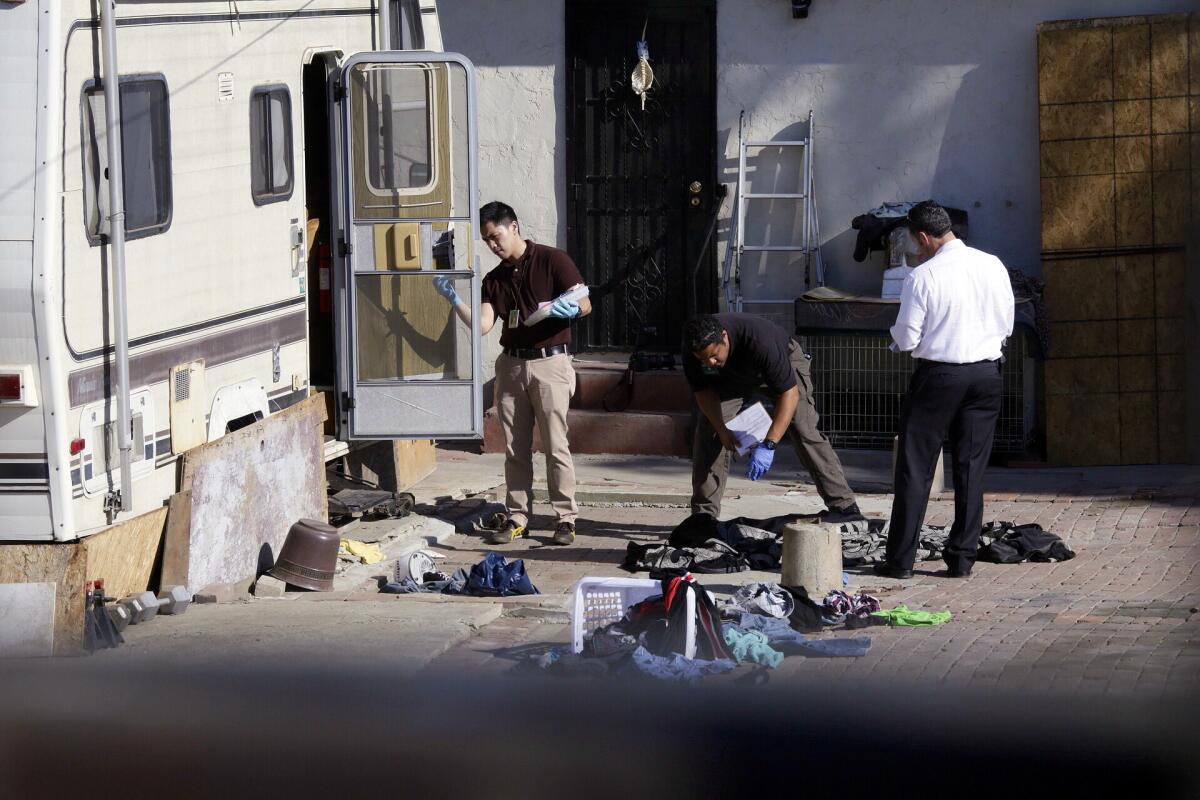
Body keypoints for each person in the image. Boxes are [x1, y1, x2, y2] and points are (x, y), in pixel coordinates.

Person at [434, 201, 591, 546]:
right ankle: (518, 515)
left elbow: (584, 302)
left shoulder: (553, 260)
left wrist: (572, 309)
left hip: (550, 363)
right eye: (487, 240)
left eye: (496, 236)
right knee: (515, 449)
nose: (493, 245)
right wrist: (455, 300)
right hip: (512, 366)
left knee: (555, 444)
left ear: (514, 227)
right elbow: (484, 325)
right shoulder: (495, 279)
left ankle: (565, 518)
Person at [874, 200, 1015, 580]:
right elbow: (1006, 324)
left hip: (939, 376)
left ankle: (901, 560)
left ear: (924, 237)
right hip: (987, 373)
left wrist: (903, 340)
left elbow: (905, 339)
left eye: (914, 243)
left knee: (916, 467)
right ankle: (962, 559)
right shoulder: (992, 264)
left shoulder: (922, 276)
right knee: (971, 468)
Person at [682, 312, 862, 522]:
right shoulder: (693, 349)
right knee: (709, 430)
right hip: (731, 379)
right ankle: (703, 516)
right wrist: (722, 430)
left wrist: (769, 444)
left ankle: (844, 505)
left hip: (783, 363)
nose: (710, 362)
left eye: (714, 355)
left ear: (724, 336)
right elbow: (704, 393)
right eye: (704, 359)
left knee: (804, 429)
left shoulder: (761, 341)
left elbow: (790, 394)